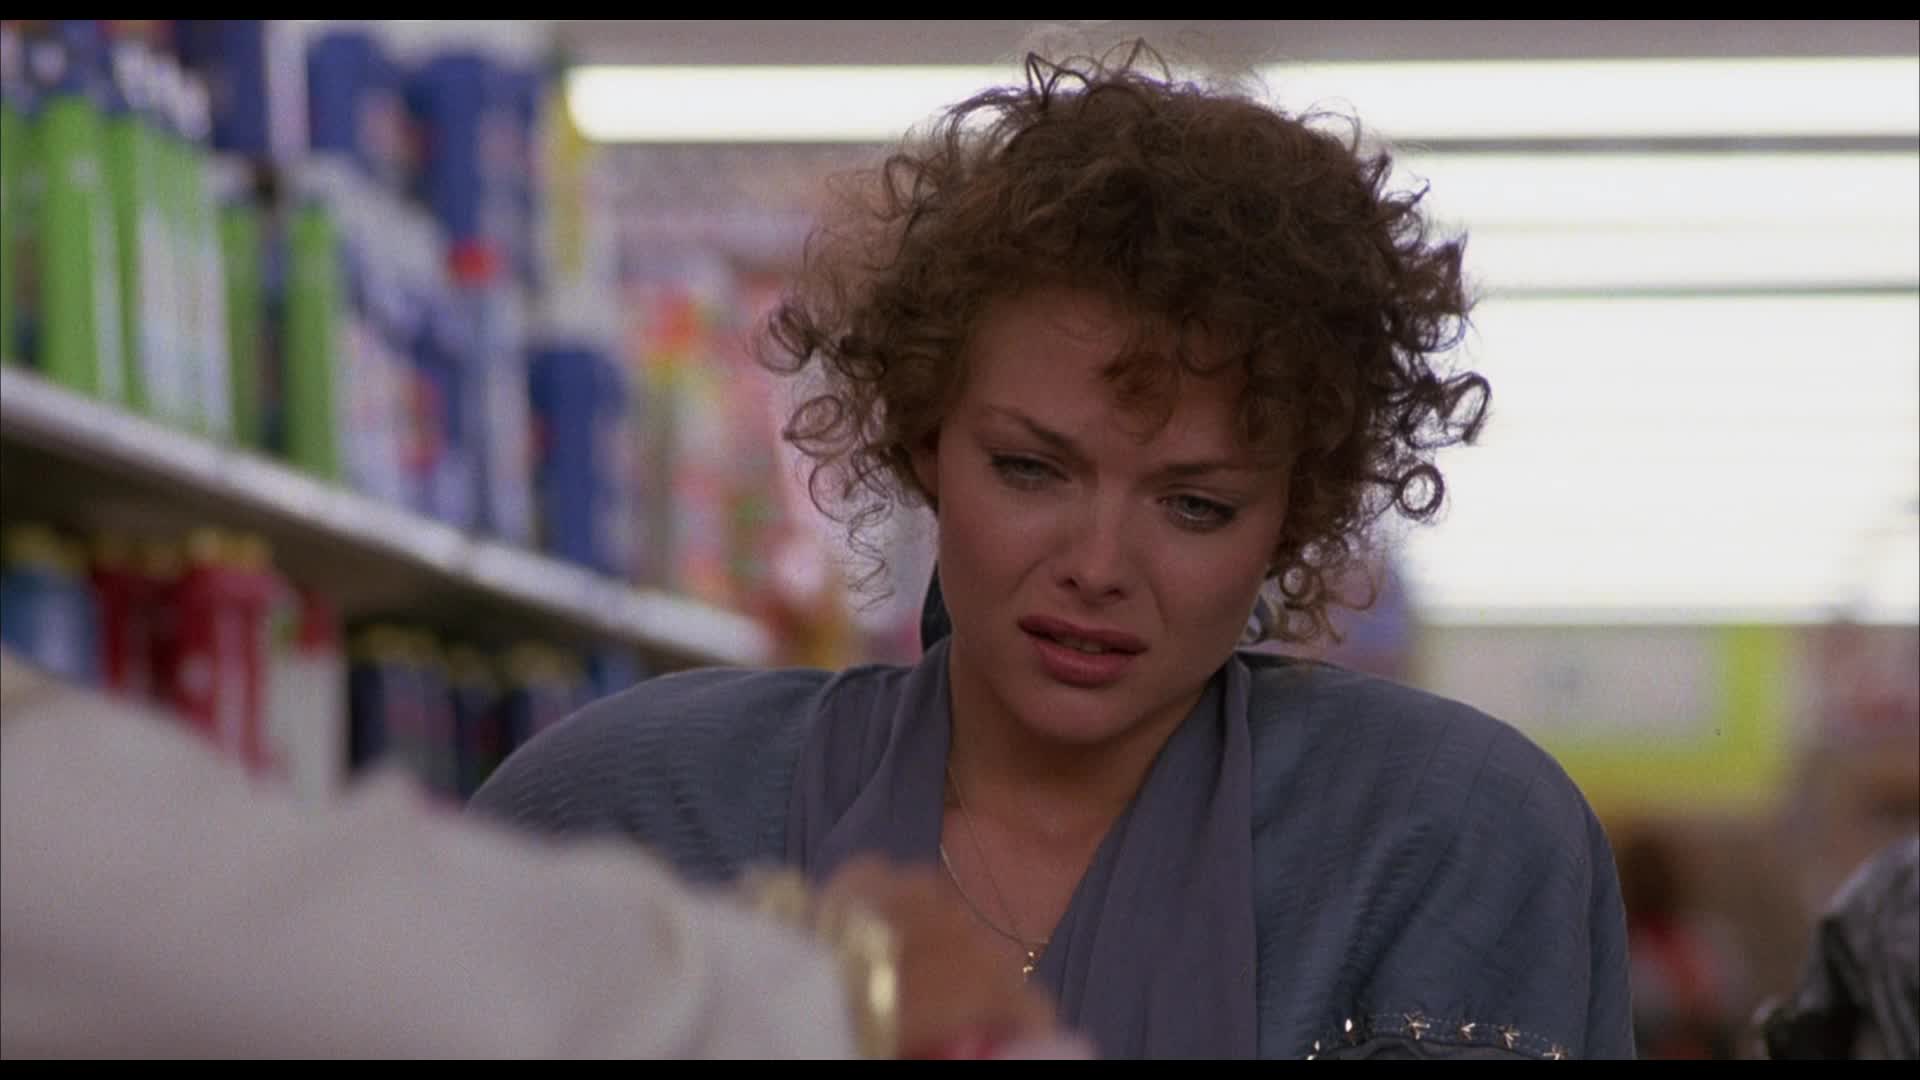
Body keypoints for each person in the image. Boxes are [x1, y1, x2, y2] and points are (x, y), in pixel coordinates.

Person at [472, 43, 1636, 1059]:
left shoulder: (1443, 842)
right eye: (1030, 469)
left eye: (1196, 506)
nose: (1098, 565)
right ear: (925, 440)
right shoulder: (635, 811)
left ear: (1298, 513)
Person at [0, 648, 1079, 1059]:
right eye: (1027, 466)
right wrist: (822, 997)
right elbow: (171, 913)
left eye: (1169, 499)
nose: (1096, 566)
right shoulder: (632, 779)